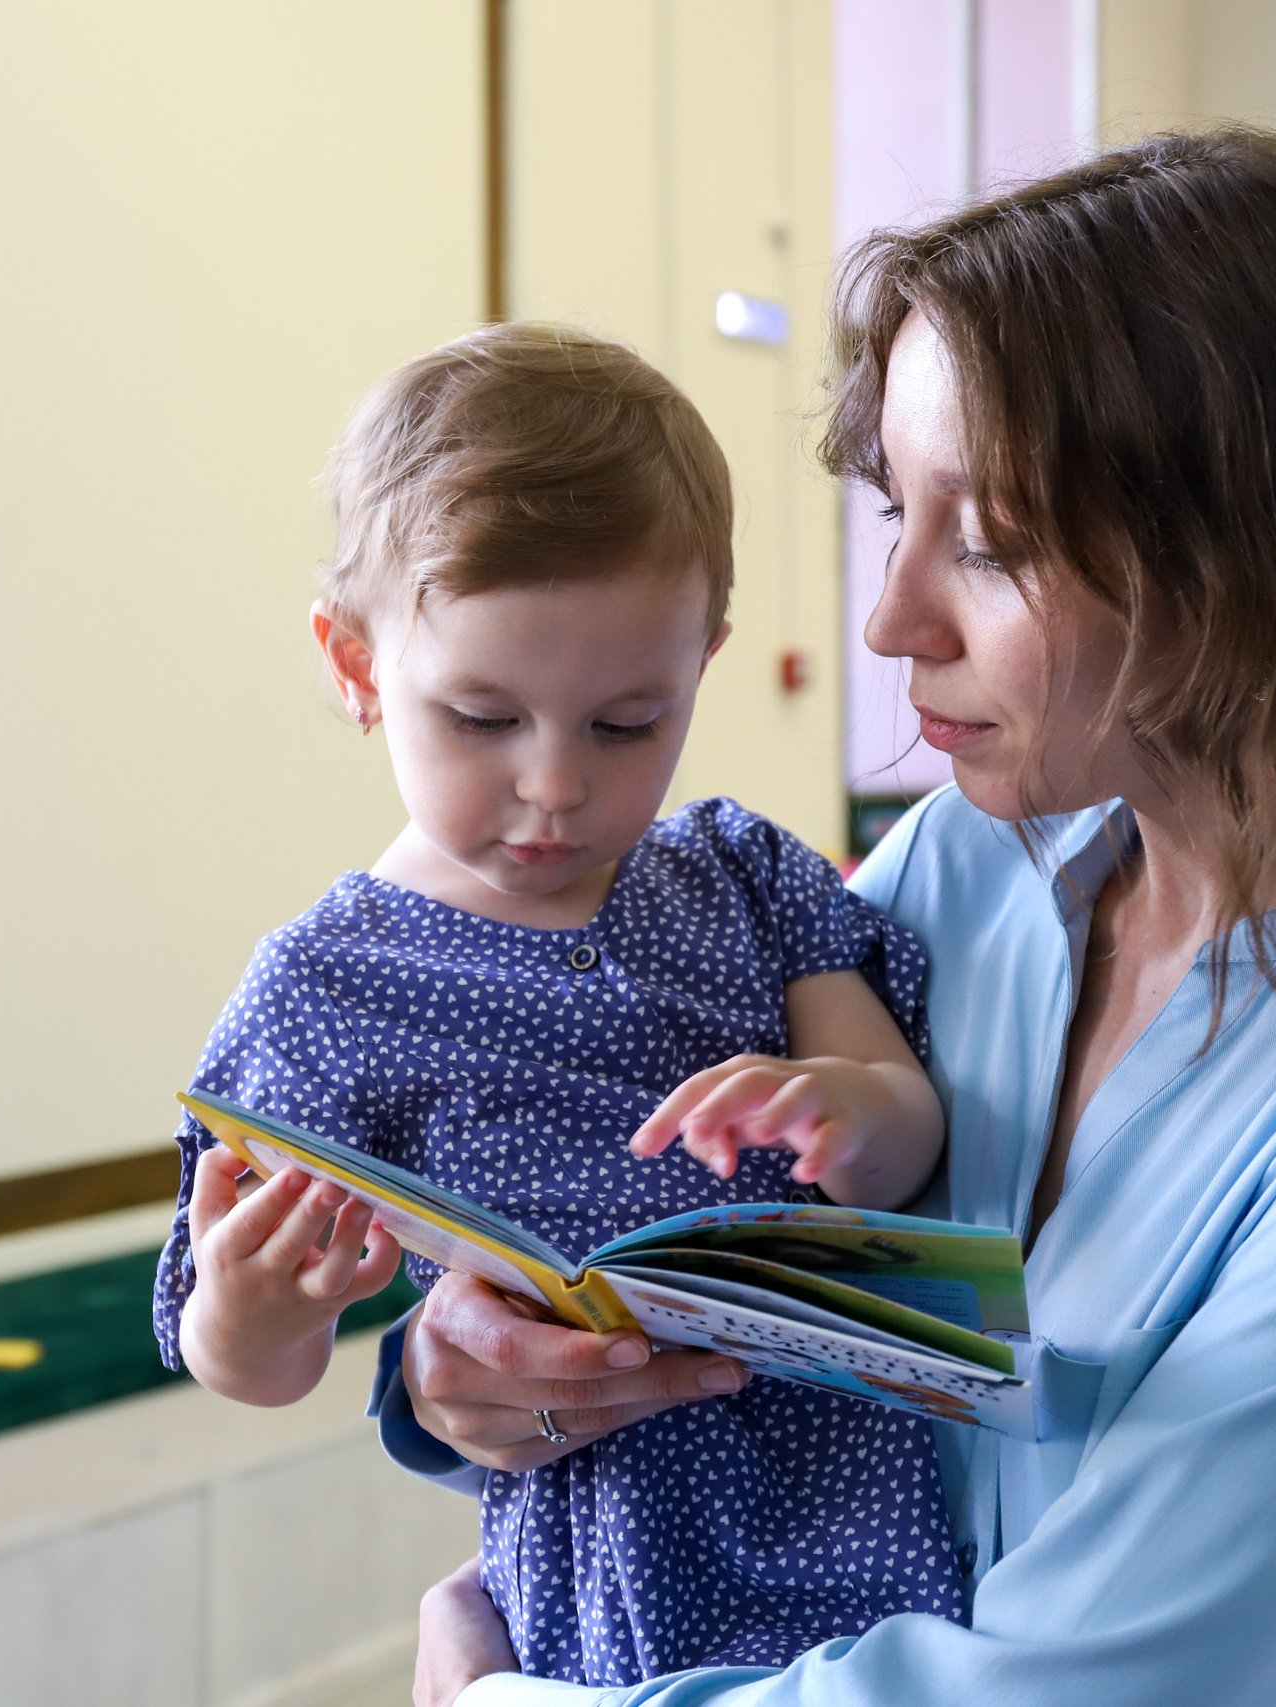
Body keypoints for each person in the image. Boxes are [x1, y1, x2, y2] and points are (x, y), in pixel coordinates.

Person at [393, 128, 1276, 1706]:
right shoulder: (962, 872)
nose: (891, 621)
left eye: (988, 542)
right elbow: (696, 1293)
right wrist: (486, 1372)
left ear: (1252, 555)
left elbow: (1088, 1687)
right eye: (896, 516)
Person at [150, 323, 968, 1687]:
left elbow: (910, 1133)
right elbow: (243, 1361)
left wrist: (843, 1113)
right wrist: (255, 1304)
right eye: (482, 718)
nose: (554, 787)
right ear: (356, 667)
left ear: (702, 661)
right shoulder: (325, 986)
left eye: (625, 722)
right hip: (603, 1532)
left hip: (862, 1480)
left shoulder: (740, 875)